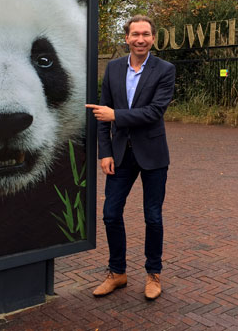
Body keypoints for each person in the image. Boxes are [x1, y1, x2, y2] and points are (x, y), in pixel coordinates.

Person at [86, 15, 175, 300]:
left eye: (146, 34)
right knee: (110, 214)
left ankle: (153, 274)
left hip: (153, 155)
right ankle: (118, 272)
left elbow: (154, 113)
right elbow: (102, 116)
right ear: (126, 38)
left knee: (153, 216)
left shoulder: (165, 70)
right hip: (120, 155)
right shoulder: (112, 69)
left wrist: (117, 116)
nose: (140, 39)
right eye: (135, 34)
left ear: (153, 38)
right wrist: (105, 152)